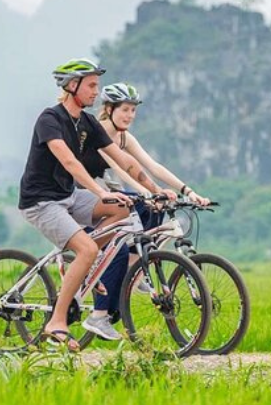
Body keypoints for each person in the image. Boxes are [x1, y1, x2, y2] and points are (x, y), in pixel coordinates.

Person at [18, 58, 156, 351]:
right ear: (72, 85)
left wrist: (157, 190)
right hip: (41, 201)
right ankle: (57, 322)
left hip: (68, 196)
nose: (97, 92)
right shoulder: (50, 119)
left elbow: (123, 160)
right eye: (92, 85)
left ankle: (91, 263)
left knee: (124, 208)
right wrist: (99, 191)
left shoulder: (88, 122)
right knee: (88, 246)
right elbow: (68, 161)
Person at [73, 81, 212, 341]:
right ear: (110, 109)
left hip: (105, 194)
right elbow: (126, 169)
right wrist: (147, 193)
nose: (129, 116)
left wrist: (188, 191)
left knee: (152, 211)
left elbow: (151, 165)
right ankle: (101, 313)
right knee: (126, 236)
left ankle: (138, 265)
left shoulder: (124, 136)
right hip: (82, 198)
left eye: (133, 110)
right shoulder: (99, 132)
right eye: (125, 109)